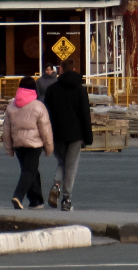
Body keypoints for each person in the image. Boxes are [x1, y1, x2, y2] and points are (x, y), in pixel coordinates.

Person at [43, 64, 93, 211]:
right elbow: (85, 113)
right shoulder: (80, 89)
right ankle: (66, 199)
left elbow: (46, 113)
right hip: (76, 134)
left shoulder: (52, 89)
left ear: (61, 70)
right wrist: (88, 136)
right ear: (75, 69)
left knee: (62, 162)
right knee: (71, 165)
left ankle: (56, 184)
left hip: (57, 132)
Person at [0, 76, 53, 209]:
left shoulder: (11, 106)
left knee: (29, 170)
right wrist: (49, 147)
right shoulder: (38, 106)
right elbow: (45, 129)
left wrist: (9, 148)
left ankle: (36, 201)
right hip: (34, 144)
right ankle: (18, 196)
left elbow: (6, 130)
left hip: (18, 144)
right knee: (29, 171)